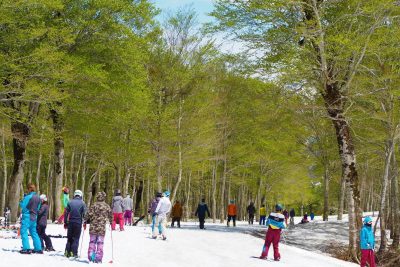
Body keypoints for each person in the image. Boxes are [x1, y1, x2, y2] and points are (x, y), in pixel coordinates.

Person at [84, 192, 113, 263]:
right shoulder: (106, 206)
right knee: (100, 243)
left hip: (93, 228)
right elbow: (111, 215)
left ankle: (91, 257)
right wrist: (111, 222)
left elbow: (88, 214)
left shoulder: (93, 205)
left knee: (92, 242)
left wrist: (84, 220)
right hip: (101, 229)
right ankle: (98, 259)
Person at [19, 183, 42, 254]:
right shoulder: (38, 197)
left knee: (23, 231)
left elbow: (23, 206)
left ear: (29, 189)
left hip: (27, 217)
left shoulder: (28, 197)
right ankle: (38, 248)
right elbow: (38, 208)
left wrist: (21, 201)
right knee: (34, 232)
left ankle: (26, 248)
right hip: (34, 217)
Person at [64, 189, 86, 258]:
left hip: (70, 222)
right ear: (81, 195)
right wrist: (85, 222)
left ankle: (67, 252)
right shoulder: (82, 203)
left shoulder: (70, 202)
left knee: (69, 238)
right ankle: (74, 253)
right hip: (78, 222)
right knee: (76, 238)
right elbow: (85, 214)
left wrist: (65, 222)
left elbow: (66, 213)